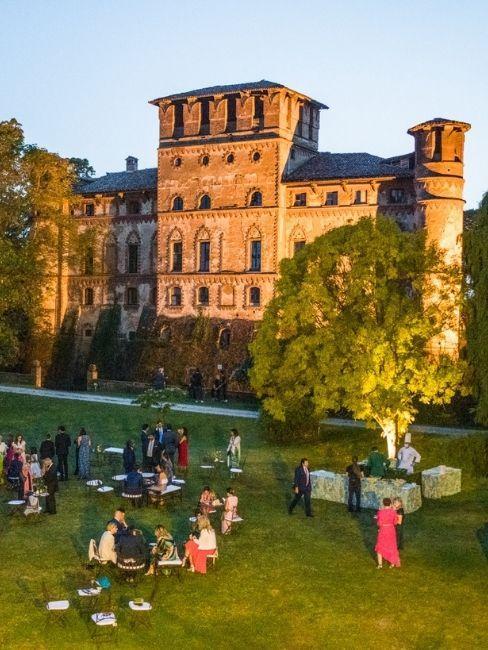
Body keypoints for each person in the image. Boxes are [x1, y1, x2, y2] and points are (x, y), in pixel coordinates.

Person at [374, 498, 401, 568]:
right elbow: (395, 522)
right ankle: (392, 563)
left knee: (380, 546)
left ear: (383, 503)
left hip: (383, 530)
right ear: (390, 503)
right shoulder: (393, 512)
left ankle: (380, 564)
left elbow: (379, 523)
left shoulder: (380, 512)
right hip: (391, 530)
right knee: (391, 546)